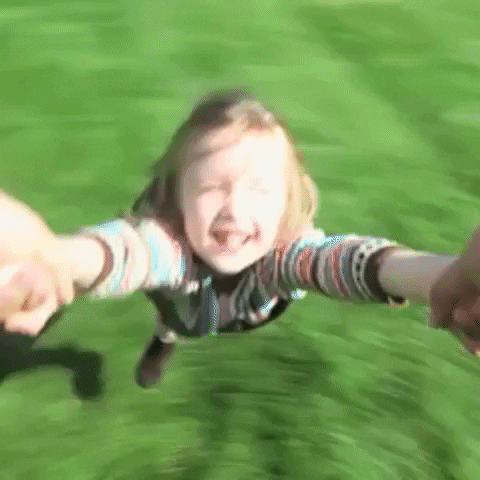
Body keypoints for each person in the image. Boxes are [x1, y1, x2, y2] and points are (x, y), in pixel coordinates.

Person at [1, 89, 480, 389]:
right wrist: (52, 259)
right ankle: (163, 343)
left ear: (286, 203)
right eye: (211, 186)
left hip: (246, 313)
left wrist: (441, 277)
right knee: (172, 325)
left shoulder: (282, 257)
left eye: (260, 189)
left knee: (191, 317)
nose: (234, 207)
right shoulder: (170, 247)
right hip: (184, 307)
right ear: (178, 199)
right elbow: (125, 252)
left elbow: (345, 260)